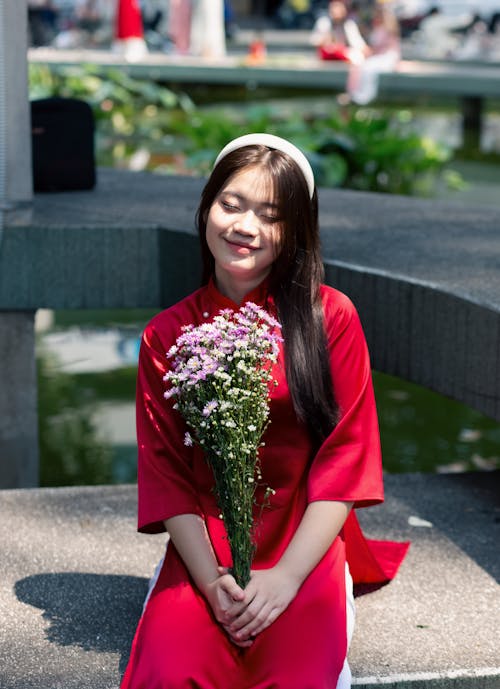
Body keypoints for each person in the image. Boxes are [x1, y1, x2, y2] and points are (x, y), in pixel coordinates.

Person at [120, 133, 409, 689]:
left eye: (269, 215)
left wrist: (287, 579)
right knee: (172, 671)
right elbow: (166, 472)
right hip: (206, 540)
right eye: (231, 204)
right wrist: (209, 584)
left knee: (297, 676)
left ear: (296, 230)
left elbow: (345, 458)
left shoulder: (330, 317)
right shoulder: (166, 334)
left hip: (306, 534)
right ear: (206, 208)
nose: (244, 226)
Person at [346, 2, 401, 104]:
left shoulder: (389, 29)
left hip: (387, 57)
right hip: (378, 57)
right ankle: (355, 94)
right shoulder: (377, 29)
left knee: (369, 68)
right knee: (362, 66)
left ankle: (365, 97)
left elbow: (389, 48)